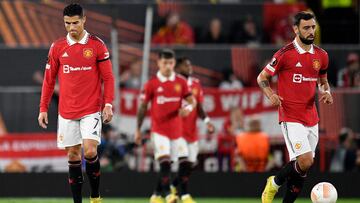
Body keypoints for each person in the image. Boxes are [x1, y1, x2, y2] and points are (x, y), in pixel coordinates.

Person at [38, 4, 114, 203]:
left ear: (84, 20)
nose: (71, 27)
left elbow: (109, 78)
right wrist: (43, 108)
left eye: (75, 22)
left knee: (89, 150)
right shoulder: (58, 47)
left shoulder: (97, 45)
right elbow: (48, 80)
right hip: (66, 111)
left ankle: (96, 196)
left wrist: (108, 104)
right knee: (73, 155)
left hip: (90, 109)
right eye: (67, 23)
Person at [257, 12, 333, 203]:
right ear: (296, 29)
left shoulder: (322, 56)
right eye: (306, 27)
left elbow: (323, 81)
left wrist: (326, 91)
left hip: (311, 116)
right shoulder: (285, 54)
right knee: (306, 161)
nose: (311, 31)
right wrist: (271, 95)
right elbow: (262, 78)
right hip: (290, 115)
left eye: (313, 27)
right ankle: (274, 183)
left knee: (302, 167)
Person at [134, 49, 196, 203]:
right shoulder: (152, 84)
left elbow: (192, 101)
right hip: (159, 131)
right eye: (164, 63)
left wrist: (187, 109)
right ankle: (169, 195)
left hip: (177, 131)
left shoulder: (181, 82)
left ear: (174, 63)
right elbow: (142, 107)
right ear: (158, 63)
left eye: (170, 63)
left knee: (178, 164)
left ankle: (156, 195)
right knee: (165, 161)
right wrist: (138, 130)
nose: (167, 66)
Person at [171, 57, 215, 202]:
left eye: (190, 64)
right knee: (183, 161)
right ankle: (184, 195)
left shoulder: (196, 84)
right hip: (177, 130)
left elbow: (200, 107)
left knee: (190, 165)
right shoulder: (172, 83)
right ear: (177, 68)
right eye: (185, 65)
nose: (189, 67)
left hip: (192, 131)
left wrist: (207, 121)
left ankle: (173, 186)